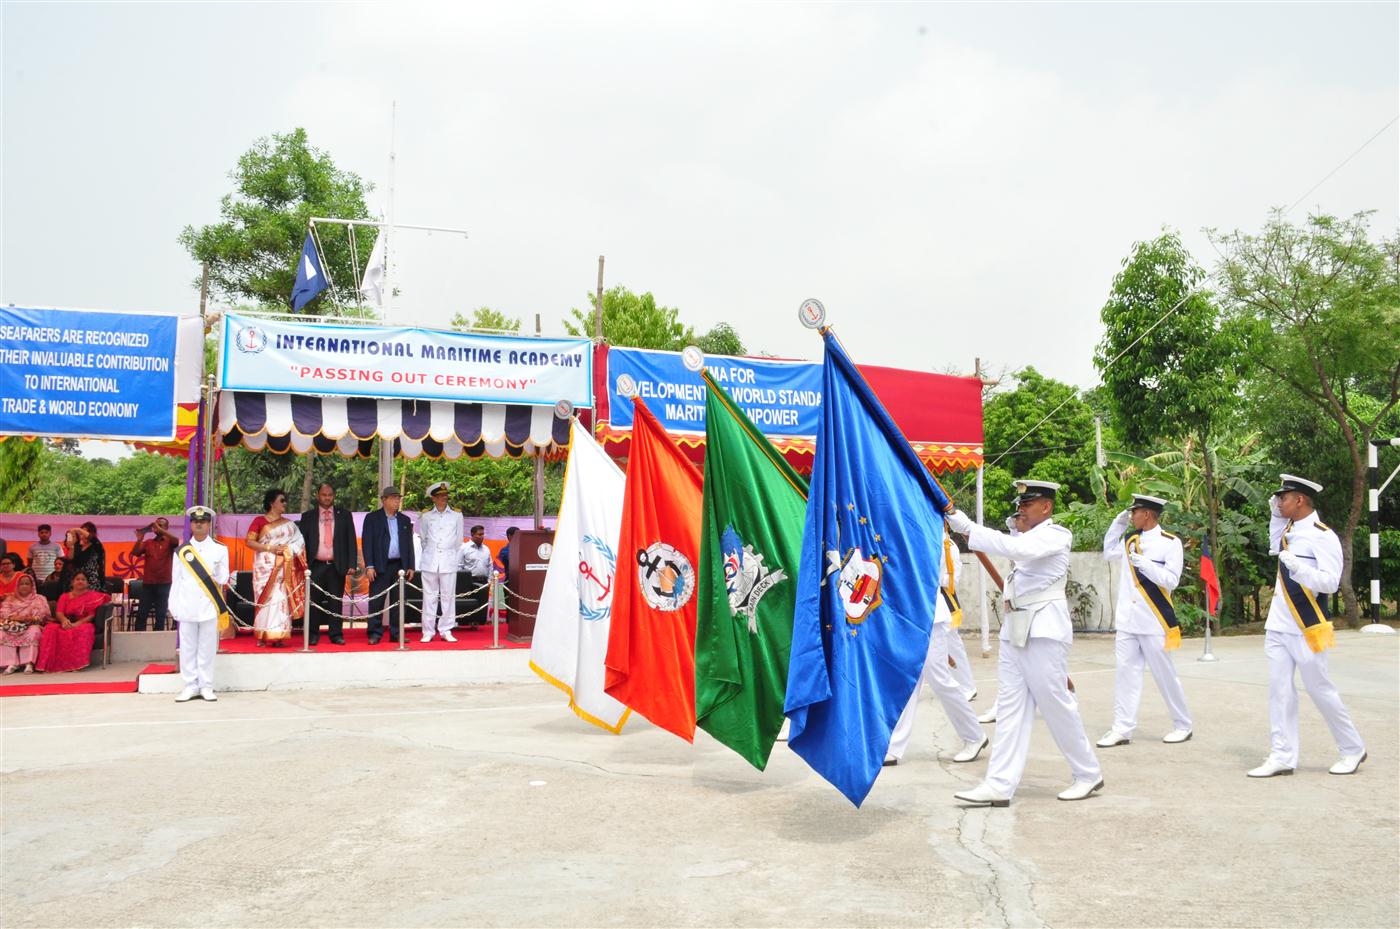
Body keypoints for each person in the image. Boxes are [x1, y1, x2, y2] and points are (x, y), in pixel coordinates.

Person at [945, 480, 1103, 807]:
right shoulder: (1027, 536)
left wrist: (963, 523)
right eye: (1020, 506)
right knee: (1011, 707)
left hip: (1044, 629)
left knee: (1055, 703)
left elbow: (1018, 549)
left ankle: (1088, 773)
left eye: (1027, 505)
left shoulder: (1057, 535)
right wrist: (1012, 528)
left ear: (1045, 507)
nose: (1021, 510)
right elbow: (1016, 545)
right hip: (1016, 628)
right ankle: (999, 784)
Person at [1248, 474, 1367, 778]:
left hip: (1307, 625)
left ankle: (1352, 749)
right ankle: (1282, 755)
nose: (1279, 502)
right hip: (1278, 625)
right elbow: (1274, 541)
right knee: (1279, 692)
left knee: (1319, 690)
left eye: (1283, 498)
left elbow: (1328, 582)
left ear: (1299, 499)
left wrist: (1299, 568)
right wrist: (1275, 514)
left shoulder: (1322, 535)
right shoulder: (1287, 529)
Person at [884, 520, 989, 766]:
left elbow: (926, 575)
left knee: (940, 679)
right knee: (908, 681)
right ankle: (894, 745)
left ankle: (974, 736)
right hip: (912, 615)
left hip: (930, 614)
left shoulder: (934, 538)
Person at [1097, 495, 1193, 748]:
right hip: (1128, 622)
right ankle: (1122, 728)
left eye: (1135, 512)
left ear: (1147, 514)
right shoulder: (1131, 540)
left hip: (1154, 621)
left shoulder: (1170, 543)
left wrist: (1146, 565)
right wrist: (1116, 526)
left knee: (1165, 676)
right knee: (1126, 675)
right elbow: (1108, 552)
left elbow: (1171, 580)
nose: (1132, 516)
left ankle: (1183, 725)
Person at [170, 505, 232, 702]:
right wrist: (173, 606)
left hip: (209, 606)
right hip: (187, 605)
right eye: (196, 522)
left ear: (209, 525)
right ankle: (190, 685)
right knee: (188, 648)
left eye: (203, 522)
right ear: (191, 524)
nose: (199, 525)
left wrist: (216, 571)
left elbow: (224, 579)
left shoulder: (220, 549)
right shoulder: (181, 552)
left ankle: (206, 686)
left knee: (206, 648)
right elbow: (176, 581)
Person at [246, 489, 307, 647]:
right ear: (272, 503)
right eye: (282, 500)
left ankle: (278, 635)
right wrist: (271, 549)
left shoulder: (289, 525)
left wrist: (286, 550)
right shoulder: (259, 521)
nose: (285, 504)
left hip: (283, 566)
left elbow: (299, 542)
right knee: (265, 599)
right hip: (264, 567)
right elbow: (250, 542)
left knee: (280, 599)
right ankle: (262, 634)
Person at [298, 483, 356, 646]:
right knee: (313, 601)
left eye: (330, 494)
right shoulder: (308, 516)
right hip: (315, 565)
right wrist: (303, 566)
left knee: (336, 601)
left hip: (337, 565)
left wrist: (352, 562)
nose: (327, 497)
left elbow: (350, 539)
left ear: (334, 496)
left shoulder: (344, 515)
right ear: (318, 496)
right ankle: (312, 635)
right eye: (324, 494)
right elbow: (301, 543)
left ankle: (336, 634)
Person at [361, 486, 416, 645]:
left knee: (399, 601)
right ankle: (374, 633)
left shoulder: (404, 520)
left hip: (400, 566)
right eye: (393, 498)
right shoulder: (372, 518)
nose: (397, 501)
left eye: (398, 498)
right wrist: (369, 565)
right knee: (376, 601)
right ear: (383, 500)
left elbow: (409, 545)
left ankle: (397, 633)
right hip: (379, 565)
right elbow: (367, 543)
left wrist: (410, 566)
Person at [418, 481, 463, 643]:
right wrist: (431, 554)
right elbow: (423, 539)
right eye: (440, 496)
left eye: (445, 496)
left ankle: (446, 629)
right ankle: (428, 630)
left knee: (448, 597)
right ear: (433, 499)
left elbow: (458, 541)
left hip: (448, 560)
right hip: (430, 561)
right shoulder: (426, 516)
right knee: (429, 597)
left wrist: (451, 557)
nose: (444, 498)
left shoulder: (457, 515)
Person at [37, 572, 108, 672]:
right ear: (72, 583)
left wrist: (77, 624)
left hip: (83, 623)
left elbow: (91, 615)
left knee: (83, 630)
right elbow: (59, 613)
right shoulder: (64, 596)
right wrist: (64, 621)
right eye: (77, 579)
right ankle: (49, 664)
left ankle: (76, 664)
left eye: (83, 580)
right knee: (50, 628)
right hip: (65, 622)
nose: (80, 581)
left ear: (88, 583)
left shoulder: (93, 597)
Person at [131, 517, 179, 632]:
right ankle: (139, 640)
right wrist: (139, 539)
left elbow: (176, 541)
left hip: (164, 583)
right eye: (156, 525)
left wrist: (160, 529)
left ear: (166, 528)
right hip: (148, 583)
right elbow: (135, 552)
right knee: (142, 613)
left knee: (160, 614)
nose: (157, 527)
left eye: (161, 525)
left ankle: (158, 641)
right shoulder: (148, 543)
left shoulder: (169, 542)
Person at [1, 574, 49, 674]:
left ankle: (29, 663)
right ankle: (11, 663)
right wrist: (16, 618)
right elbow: (4, 612)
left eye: (27, 584)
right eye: (21, 584)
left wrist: (28, 619)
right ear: (17, 586)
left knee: (34, 631)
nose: (24, 586)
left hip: (31, 625)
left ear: (32, 586)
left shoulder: (39, 598)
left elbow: (42, 614)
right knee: (2, 632)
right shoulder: (10, 598)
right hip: (12, 625)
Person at [458, 524, 492, 632]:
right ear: (472, 534)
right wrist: (462, 582)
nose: (482, 536)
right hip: (469, 581)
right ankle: (466, 623)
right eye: (479, 534)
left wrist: (490, 580)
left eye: (483, 534)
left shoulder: (486, 549)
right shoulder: (464, 548)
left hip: (483, 580)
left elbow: (490, 565)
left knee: (482, 603)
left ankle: (478, 623)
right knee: (470, 603)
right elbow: (459, 565)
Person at [67, 523, 107, 594]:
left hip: (91, 580)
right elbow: (70, 559)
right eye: (81, 533)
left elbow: (92, 538)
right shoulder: (77, 545)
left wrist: (77, 529)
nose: (82, 534)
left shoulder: (96, 545)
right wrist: (71, 547)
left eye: (84, 532)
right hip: (77, 580)